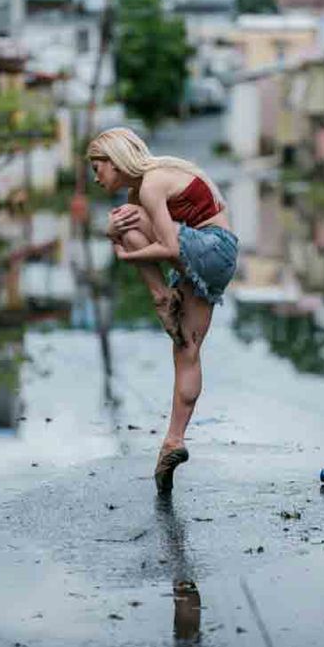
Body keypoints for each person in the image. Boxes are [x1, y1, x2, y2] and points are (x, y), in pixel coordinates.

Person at [86, 127, 239, 493]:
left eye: (98, 167)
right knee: (186, 349)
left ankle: (161, 298)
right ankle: (173, 441)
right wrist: (113, 237)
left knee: (125, 217)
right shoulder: (143, 188)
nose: (95, 177)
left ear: (116, 159)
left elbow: (170, 247)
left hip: (210, 248)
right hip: (217, 258)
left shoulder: (151, 183)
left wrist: (124, 252)